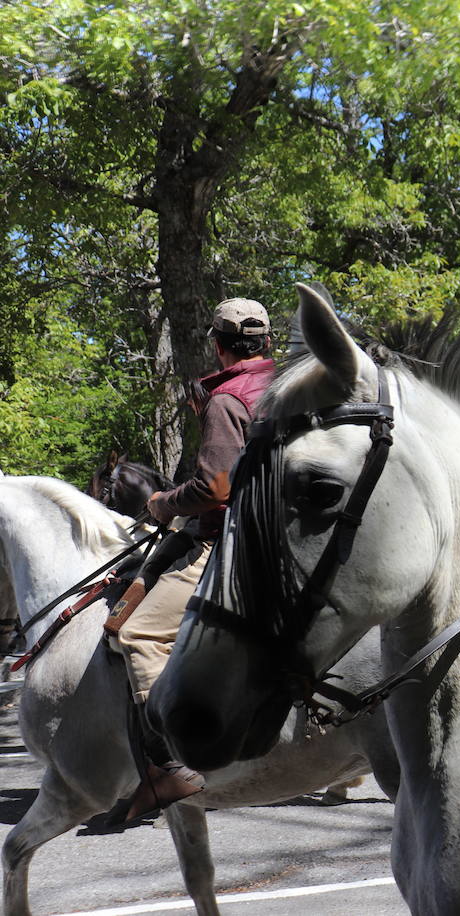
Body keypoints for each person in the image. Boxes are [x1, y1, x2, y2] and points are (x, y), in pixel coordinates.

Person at [107, 297, 275, 820]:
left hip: (226, 541)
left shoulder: (228, 400)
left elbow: (215, 486)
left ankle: (169, 766)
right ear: (266, 342)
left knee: (136, 635)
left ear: (218, 344)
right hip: (275, 535)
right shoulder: (284, 388)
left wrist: (160, 502)